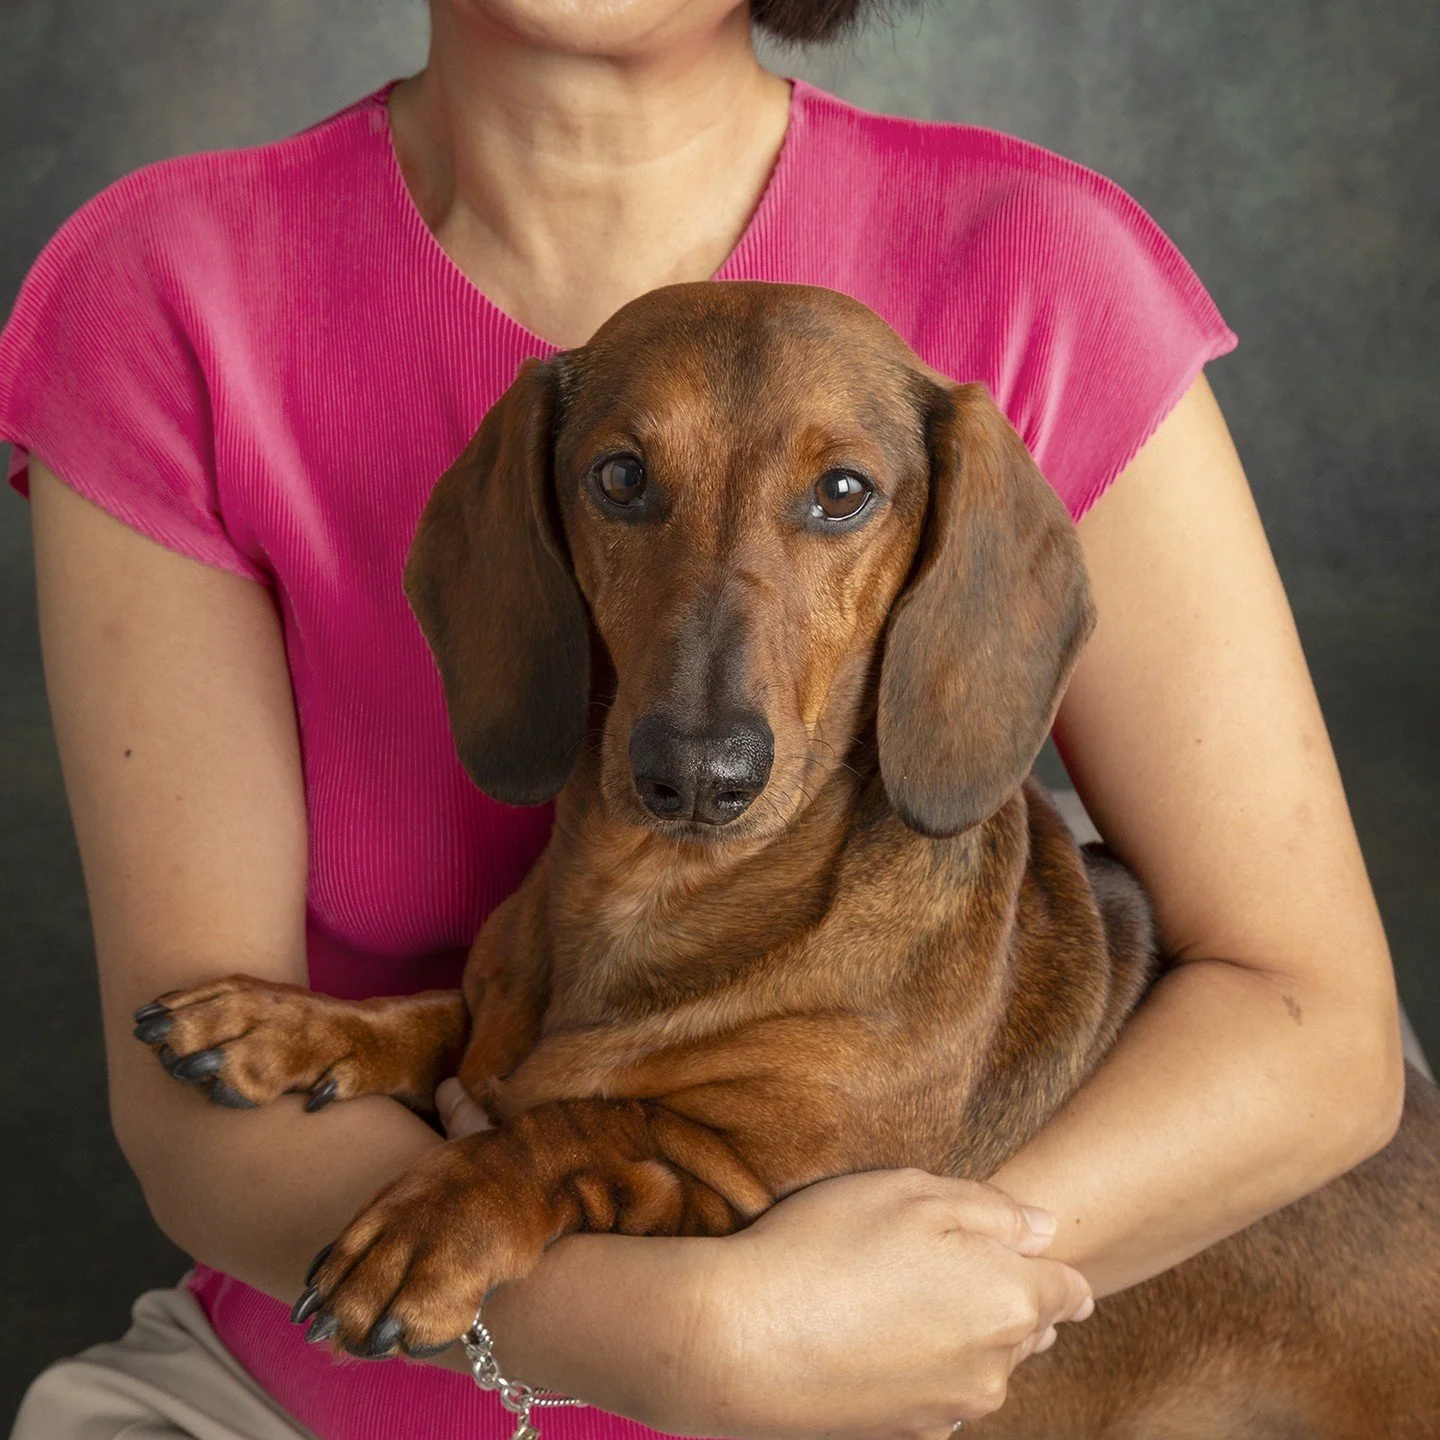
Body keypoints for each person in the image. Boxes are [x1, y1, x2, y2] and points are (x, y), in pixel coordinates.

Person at [0, 2, 1407, 1437]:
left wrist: (897, 1306)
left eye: (837, 501)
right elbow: (191, 1106)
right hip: (304, 1397)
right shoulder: (165, 291)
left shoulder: (1036, 267)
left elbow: (1318, 1034)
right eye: (625, 490)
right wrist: (688, 1337)